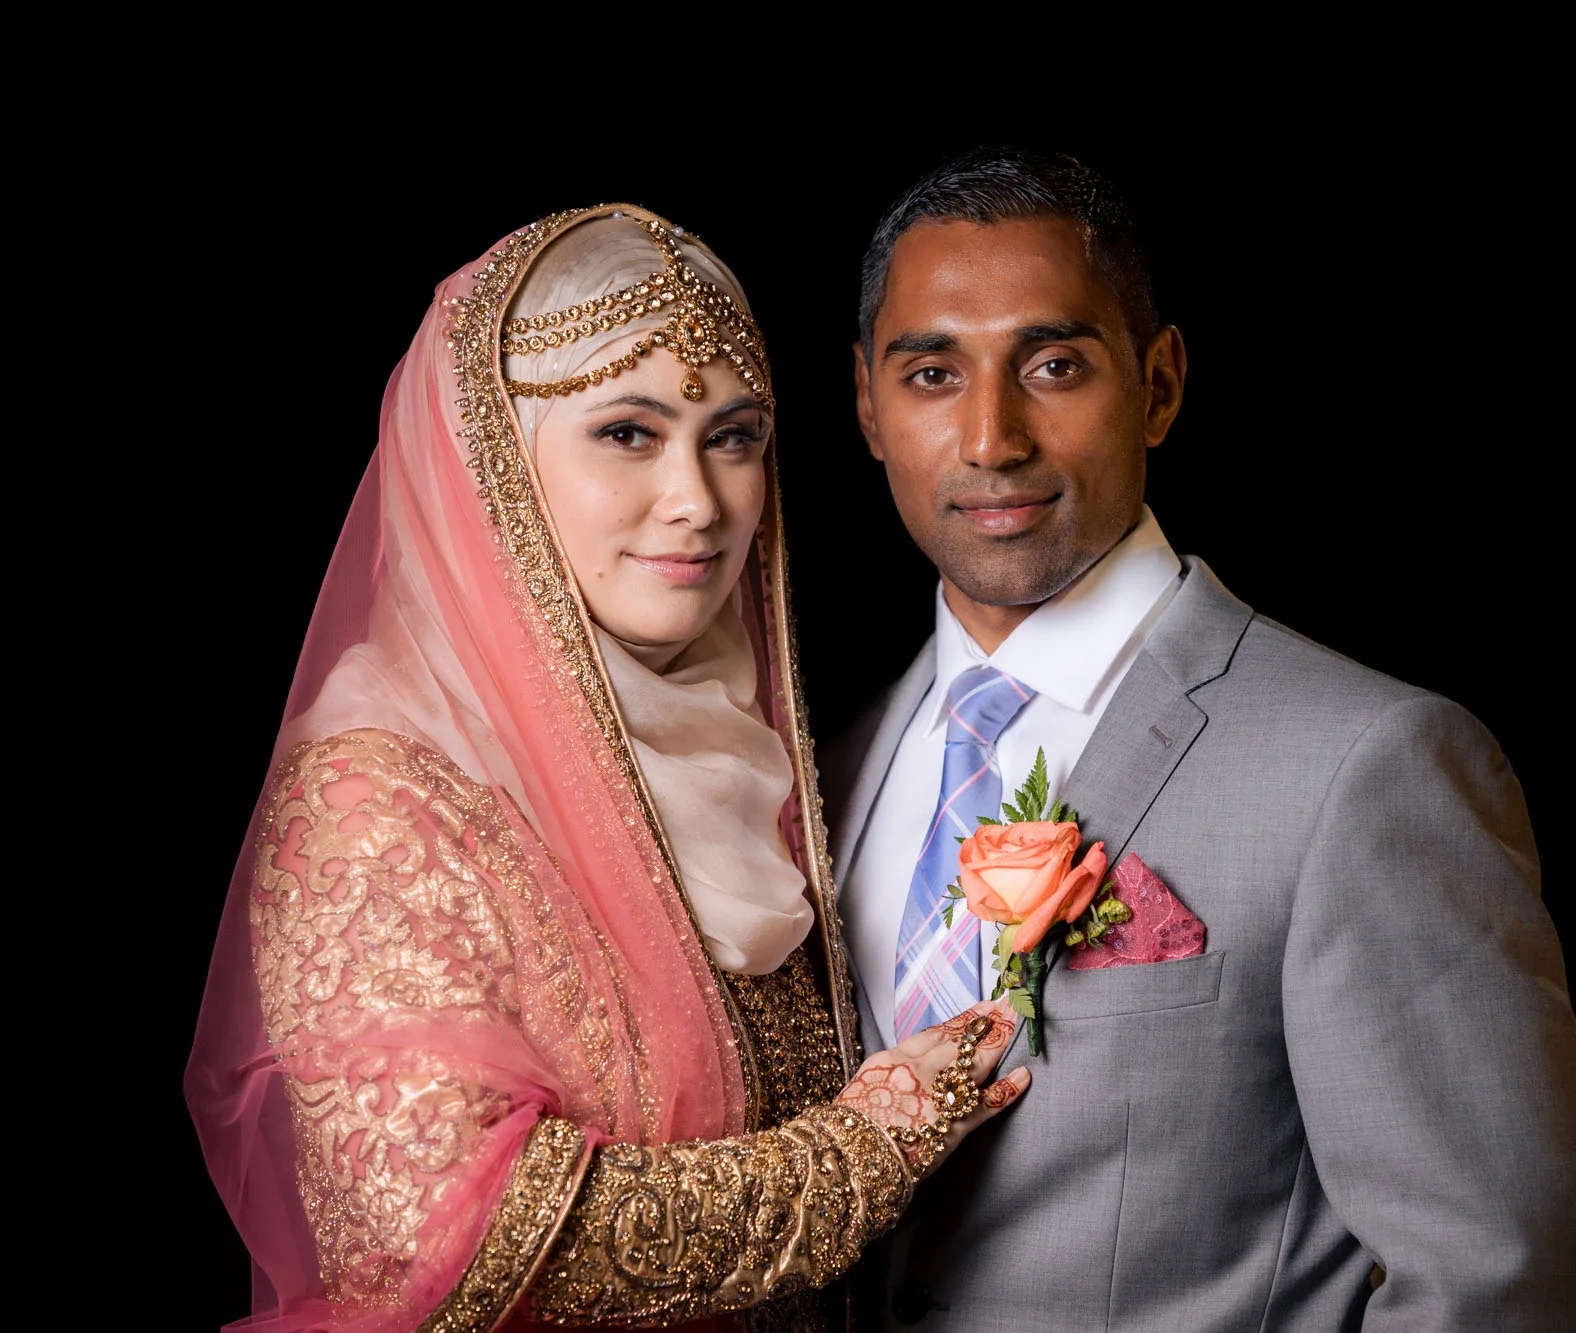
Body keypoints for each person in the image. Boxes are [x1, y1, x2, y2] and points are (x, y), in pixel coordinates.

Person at [184, 202, 1033, 1333]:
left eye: (732, 437)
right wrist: (863, 1150)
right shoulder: (378, 793)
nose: (698, 501)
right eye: (629, 433)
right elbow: (440, 1241)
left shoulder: (757, 754)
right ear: (494, 458)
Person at [826, 148, 1576, 1329]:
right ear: (867, 406)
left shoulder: (1365, 766)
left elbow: (1505, 1284)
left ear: (1157, 385)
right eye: (933, 374)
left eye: (1052, 366)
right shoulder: (827, 775)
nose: (991, 437)